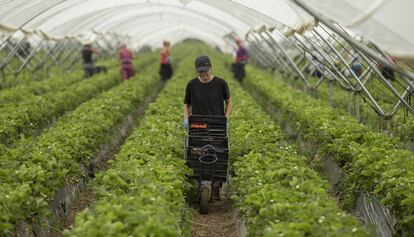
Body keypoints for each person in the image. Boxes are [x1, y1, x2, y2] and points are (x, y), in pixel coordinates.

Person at [183, 55, 233, 200]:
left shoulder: (221, 83)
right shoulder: (191, 85)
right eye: (200, 73)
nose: (203, 75)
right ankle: (201, 182)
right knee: (197, 152)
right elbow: (186, 104)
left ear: (210, 68)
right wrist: (186, 119)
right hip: (198, 126)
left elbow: (229, 102)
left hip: (217, 126)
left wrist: (226, 118)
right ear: (197, 71)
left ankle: (216, 183)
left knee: (218, 152)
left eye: (205, 72)